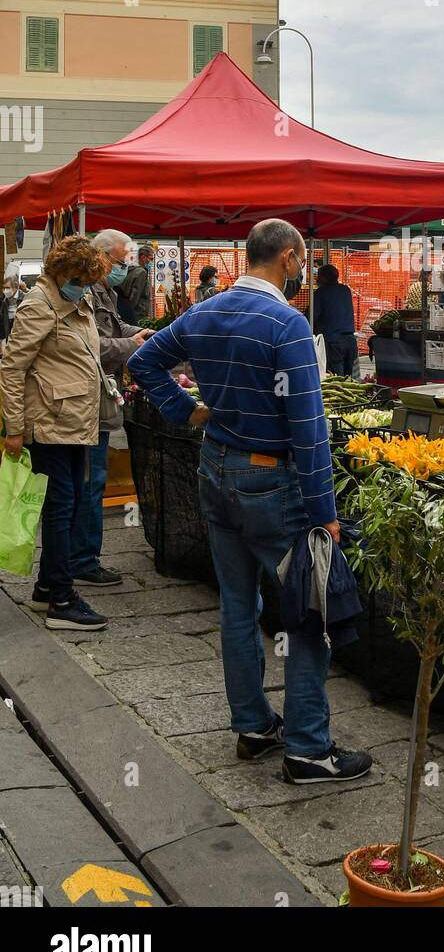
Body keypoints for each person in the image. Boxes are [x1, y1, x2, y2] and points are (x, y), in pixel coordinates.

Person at [128, 218, 372, 785]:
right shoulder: (285, 324)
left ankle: (254, 726)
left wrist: (189, 413)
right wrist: (326, 514)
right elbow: (309, 430)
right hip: (272, 483)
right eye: (302, 262)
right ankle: (309, 749)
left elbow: (142, 363)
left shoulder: (205, 310)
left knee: (238, 605)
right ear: (288, 258)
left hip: (215, 469)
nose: (303, 271)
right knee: (308, 614)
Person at [0, 236, 110, 631]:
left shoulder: (76, 300)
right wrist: (14, 429)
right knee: (61, 509)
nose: (83, 284)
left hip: (74, 422)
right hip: (48, 425)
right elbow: (12, 369)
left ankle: (47, 585)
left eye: (88, 280)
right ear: (61, 272)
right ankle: (62, 599)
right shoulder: (39, 305)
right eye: (79, 278)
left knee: (72, 502)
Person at [67, 230, 153, 589]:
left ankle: (82, 558)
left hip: (97, 400)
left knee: (89, 481)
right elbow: (93, 347)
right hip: (88, 402)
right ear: (100, 257)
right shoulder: (83, 293)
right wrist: (130, 344)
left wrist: (143, 334)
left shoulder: (103, 292)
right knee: (89, 482)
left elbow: (113, 329)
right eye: (120, 262)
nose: (123, 269)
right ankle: (83, 561)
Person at [312, 264, 357, 376]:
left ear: (324, 277)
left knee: (337, 381)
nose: (316, 278)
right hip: (350, 341)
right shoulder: (345, 290)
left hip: (334, 342)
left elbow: (312, 315)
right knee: (349, 379)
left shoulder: (320, 293)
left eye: (319, 276)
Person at [116, 244, 153, 324]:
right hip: (137, 314)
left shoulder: (129, 270)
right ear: (143, 257)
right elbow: (135, 295)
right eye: (150, 259)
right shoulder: (141, 272)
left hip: (124, 311)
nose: (151, 262)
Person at [1, 274, 27, 351]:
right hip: (9, 338)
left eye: (8, 288)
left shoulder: (25, 298)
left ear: (15, 287)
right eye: (4, 288)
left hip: (23, 337)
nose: (5, 290)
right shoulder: (3, 301)